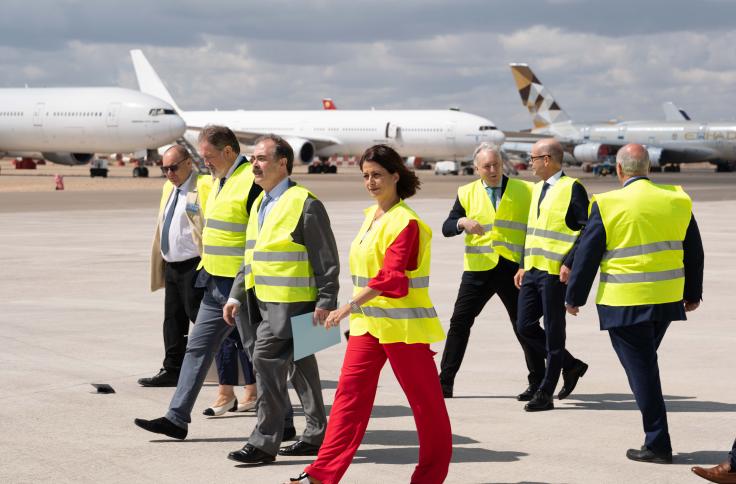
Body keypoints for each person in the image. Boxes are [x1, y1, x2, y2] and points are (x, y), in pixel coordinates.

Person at [287, 144, 452, 484]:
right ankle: (322, 474)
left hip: (403, 329)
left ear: (395, 175)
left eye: (377, 175)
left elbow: (392, 277)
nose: (371, 182)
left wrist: (347, 307)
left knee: (426, 407)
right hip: (368, 326)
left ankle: (429, 478)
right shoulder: (371, 217)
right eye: (365, 176)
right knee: (348, 400)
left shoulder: (407, 222)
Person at [565, 143, 704, 463]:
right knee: (643, 365)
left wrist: (574, 297)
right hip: (666, 301)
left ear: (618, 170)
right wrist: (692, 293)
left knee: (642, 371)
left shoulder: (607, 203)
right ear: (648, 168)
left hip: (624, 302)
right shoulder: (677, 199)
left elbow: (588, 255)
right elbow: (694, 251)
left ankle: (657, 443)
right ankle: (656, 439)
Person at [134, 125, 261, 439]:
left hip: (240, 286)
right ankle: (176, 418)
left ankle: (281, 420)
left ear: (228, 152)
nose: (205, 163)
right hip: (213, 281)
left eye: (208, 157)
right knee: (196, 350)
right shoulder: (219, 180)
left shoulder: (250, 182)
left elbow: (256, 240)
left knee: (260, 355)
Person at [224, 134, 338, 464]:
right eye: (252, 158)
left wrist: (327, 301)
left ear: (282, 162)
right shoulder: (261, 202)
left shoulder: (306, 203)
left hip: (295, 303)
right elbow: (252, 256)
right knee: (304, 368)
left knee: (265, 362)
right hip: (260, 302)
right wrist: (235, 296)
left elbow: (326, 260)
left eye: (260, 158)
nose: (253, 164)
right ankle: (317, 434)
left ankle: (263, 442)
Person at [439, 143, 545, 400]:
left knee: (524, 326)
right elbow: (446, 226)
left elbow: (537, 227)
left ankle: (538, 382)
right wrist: (462, 222)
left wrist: (527, 263)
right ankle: (444, 382)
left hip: (514, 268)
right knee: (459, 323)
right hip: (479, 269)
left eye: (496, 164)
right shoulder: (466, 192)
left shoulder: (525, 189)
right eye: (487, 166)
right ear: (477, 168)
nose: (493, 169)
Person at [514, 138, 589, 411]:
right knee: (524, 326)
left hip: (555, 273)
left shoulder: (573, 189)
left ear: (547, 159)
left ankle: (546, 391)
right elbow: (532, 230)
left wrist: (570, 262)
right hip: (533, 269)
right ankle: (570, 365)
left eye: (532, 157)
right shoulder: (536, 189)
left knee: (555, 334)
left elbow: (585, 231)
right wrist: (523, 263)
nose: (529, 162)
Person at [138, 145, 212, 388]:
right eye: (164, 168)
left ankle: (228, 369)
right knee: (172, 320)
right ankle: (172, 369)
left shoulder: (203, 186)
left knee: (201, 320)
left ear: (189, 163)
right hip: (172, 265)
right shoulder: (168, 188)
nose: (169, 173)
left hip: (194, 265)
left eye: (173, 167)